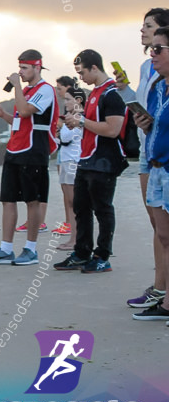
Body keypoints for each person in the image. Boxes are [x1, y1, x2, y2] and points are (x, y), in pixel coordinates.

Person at [0, 51, 58, 266]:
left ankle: (30, 249)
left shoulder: (45, 90)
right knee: (8, 199)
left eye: (25, 68)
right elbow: (18, 120)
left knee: (33, 200)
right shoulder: (27, 91)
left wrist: (16, 86)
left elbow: (25, 112)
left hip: (34, 151)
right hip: (15, 149)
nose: (20, 72)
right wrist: (3, 114)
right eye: (19, 67)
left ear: (37, 67)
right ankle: (5, 248)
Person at [54, 50, 126, 273]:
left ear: (95, 67)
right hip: (86, 159)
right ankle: (82, 252)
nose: (80, 77)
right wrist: (79, 122)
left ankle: (102, 255)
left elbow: (113, 130)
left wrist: (82, 121)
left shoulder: (112, 94)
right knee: (81, 207)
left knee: (102, 210)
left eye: (82, 71)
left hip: (104, 160)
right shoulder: (94, 93)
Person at [115, 8, 169, 308]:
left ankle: (163, 290)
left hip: (162, 149)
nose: (142, 31)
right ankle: (160, 287)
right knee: (157, 224)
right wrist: (125, 90)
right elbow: (144, 104)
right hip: (150, 147)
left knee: (164, 225)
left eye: (149, 27)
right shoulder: (148, 67)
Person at [133, 26, 169, 321]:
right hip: (156, 168)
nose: (152, 54)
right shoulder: (158, 87)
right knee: (164, 235)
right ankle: (164, 296)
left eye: (159, 49)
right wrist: (145, 124)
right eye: (151, 49)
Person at [53, 79, 85, 251]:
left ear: (78, 101)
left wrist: (61, 129)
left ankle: (76, 238)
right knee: (71, 201)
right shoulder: (71, 119)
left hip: (73, 161)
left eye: (68, 100)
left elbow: (64, 138)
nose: (65, 103)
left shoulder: (78, 118)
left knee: (74, 202)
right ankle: (73, 238)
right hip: (66, 160)